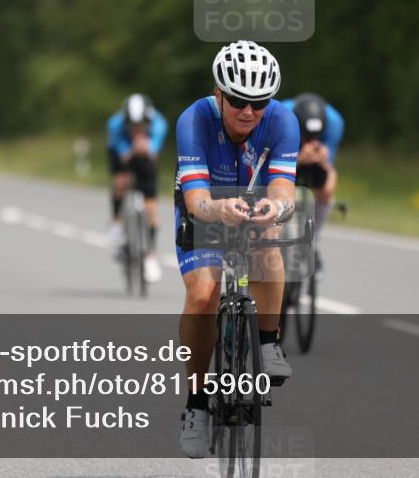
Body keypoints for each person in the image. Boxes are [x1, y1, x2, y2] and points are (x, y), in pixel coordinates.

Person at [174, 40, 298, 458]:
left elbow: (284, 187)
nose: (249, 111)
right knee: (204, 295)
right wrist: (217, 209)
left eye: (259, 101)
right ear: (219, 94)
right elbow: (196, 201)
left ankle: (267, 340)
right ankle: (195, 404)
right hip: (207, 207)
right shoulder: (194, 119)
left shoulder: (282, 120)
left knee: (268, 239)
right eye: (239, 100)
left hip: (252, 203)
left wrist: (276, 208)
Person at [106, 94, 169, 283]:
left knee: (151, 205)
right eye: (132, 126)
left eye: (141, 125)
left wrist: (147, 147)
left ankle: (149, 255)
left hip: (146, 152)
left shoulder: (159, 124)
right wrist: (132, 149)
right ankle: (117, 224)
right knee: (121, 182)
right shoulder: (115, 125)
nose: (136, 129)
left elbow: (153, 151)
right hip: (122, 150)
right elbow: (123, 155)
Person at [282, 92, 344, 274]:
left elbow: (328, 184)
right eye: (307, 137)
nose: (311, 142)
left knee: (326, 193)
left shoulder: (334, 123)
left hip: (317, 151)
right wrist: (298, 160)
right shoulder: (280, 116)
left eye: (315, 138)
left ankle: (314, 241)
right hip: (286, 152)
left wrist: (323, 162)